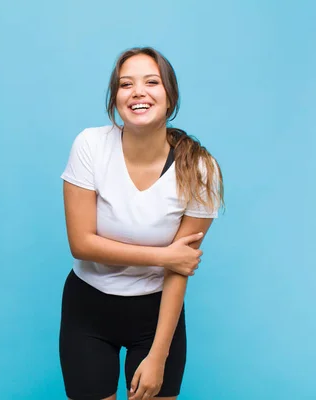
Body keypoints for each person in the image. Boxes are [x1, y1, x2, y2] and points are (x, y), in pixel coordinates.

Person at [59, 47, 224, 400]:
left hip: (156, 316)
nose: (137, 92)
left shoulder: (200, 169)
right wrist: (164, 256)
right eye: (125, 84)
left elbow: (181, 269)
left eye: (151, 82)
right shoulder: (90, 145)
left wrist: (159, 355)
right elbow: (82, 243)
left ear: (170, 96)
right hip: (87, 309)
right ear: (115, 97)